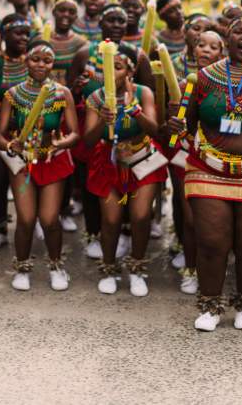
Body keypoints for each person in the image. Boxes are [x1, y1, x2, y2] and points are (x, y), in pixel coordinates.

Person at [173, 15, 242, 331]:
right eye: (239, 32)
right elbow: (184, 123)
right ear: (227, 38)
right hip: (209, 168)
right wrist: (176, 126)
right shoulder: (200, 79)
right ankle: (210, 305)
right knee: (211, 241)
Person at [0, 40, 79, 291]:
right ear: (26, 61)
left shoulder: (63, 93)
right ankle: (22, 267)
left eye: (47, 60)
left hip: (52, 161)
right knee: (26, 219)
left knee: (50, 219)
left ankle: (55, 265)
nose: (41, 64)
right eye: (36, 59)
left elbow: (75, 133)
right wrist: (11, 146)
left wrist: (63, 143)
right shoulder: (13, 94)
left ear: (53, 64)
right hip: (23, 163)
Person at [81, 43, 165, 297]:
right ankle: (108, 268)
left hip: (142, 160)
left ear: (129, 71)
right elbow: (87, 141)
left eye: (116, 67)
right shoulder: (95, 97)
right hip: (109, 162)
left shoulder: (144, 92)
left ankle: (137, 268)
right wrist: (103, 122)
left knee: (140, 217)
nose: (111, 74)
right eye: (106, 68)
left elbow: (156, 131)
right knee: (111, 219)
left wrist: (135, 112)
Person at [0, 15, 32, 252]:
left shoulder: (34, 61)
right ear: (3, 36)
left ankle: (35, 221)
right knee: (0, 179)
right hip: (3, 132)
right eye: (18, 33)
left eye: (27, 33)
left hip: (32, 132)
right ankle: (0, 228)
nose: (23, 38)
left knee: (34, 176)